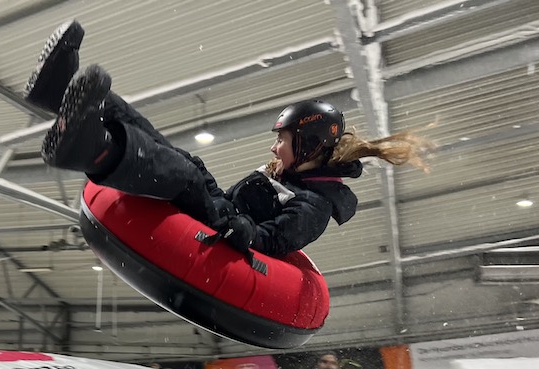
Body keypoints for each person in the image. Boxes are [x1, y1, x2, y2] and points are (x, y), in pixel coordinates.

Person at [24, 20, 432, 259]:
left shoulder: (314, 206)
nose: (274, 148)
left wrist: (246, 233)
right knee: (173, 153)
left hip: (223, 227)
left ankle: (93, 147)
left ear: (308, 145)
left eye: (283, 141)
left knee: (183, 172)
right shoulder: (290, 181)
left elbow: (274, 241)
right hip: (218, 207)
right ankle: (58, 92)